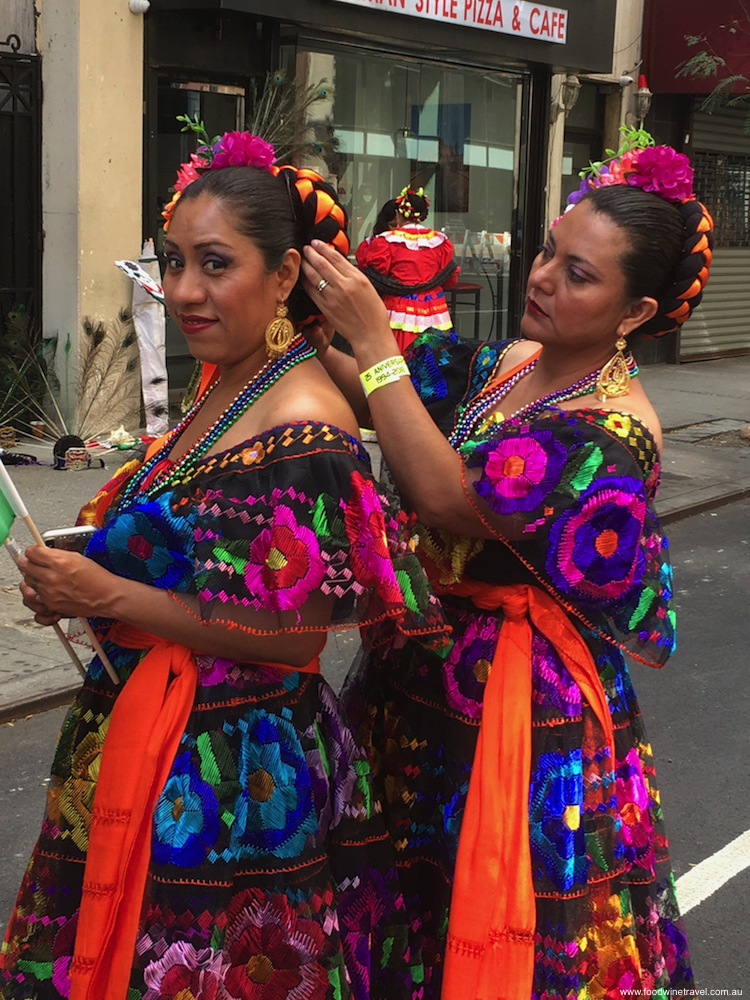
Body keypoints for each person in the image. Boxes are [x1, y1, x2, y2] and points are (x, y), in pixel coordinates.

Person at [0, 131, 445, 1000]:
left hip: (240, 775)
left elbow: (287, 637)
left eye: (215, 264)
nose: (184, 292)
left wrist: (109, 590)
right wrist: (81, 574)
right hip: (155, 732)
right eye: (173, 264)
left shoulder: (307, 423)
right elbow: (201, 562)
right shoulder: (229, 385)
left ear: (285, 278)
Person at [301, 139, 713, 997]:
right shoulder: (512, 363)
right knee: (405, 886)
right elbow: (390, 397)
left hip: (517, 706)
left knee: (491, 902)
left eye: (579, 274)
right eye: (549, 252)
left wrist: (374, 338)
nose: (543, 277)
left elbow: (447, 497)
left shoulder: (614, 428)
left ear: (634, 313)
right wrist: (309, 332)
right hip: (418, 671)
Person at [355, 187, 458, 354]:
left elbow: (375, 274)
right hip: (435, 307)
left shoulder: (385, 241)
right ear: (423, 215)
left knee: (396, 358)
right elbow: (451, 279)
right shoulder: (440, 241)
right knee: (434, 362)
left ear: (398, 215)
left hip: (398, 308)